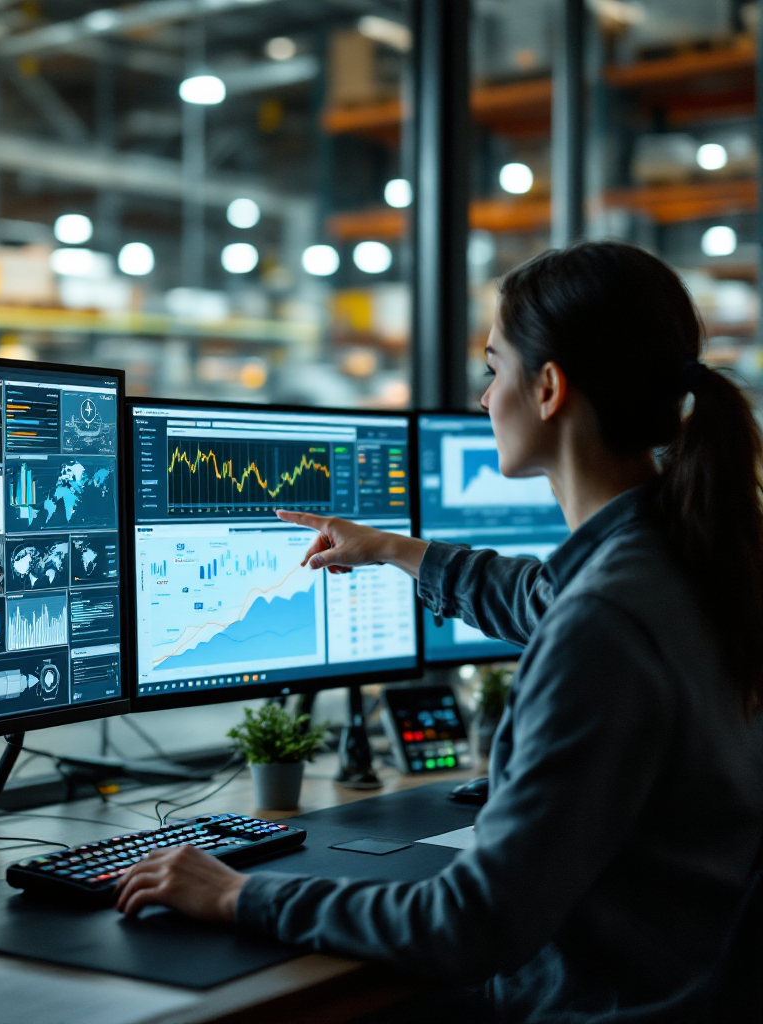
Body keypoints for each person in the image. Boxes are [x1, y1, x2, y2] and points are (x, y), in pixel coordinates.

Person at [116, 242, 763, 1022]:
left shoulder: (607, 618)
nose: (485, 398)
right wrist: (392, 549)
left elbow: (474, 923)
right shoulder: (688, 558)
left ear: (550, 387)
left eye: (494, 369)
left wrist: (239, 895)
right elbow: (540, 596)